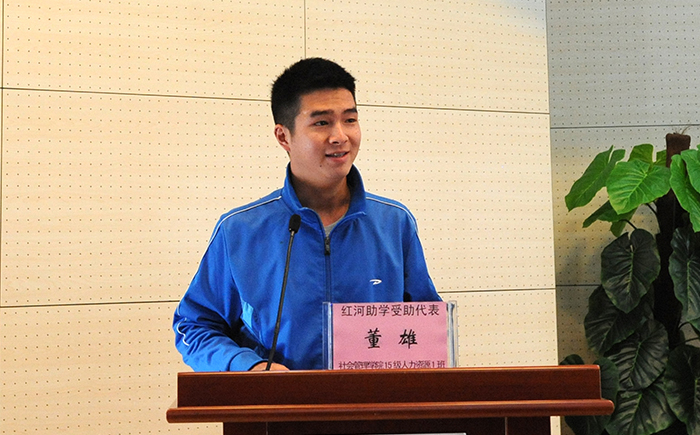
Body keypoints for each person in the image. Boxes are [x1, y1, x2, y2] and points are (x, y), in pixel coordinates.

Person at [173, 57, 440, 372]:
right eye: (322, 123)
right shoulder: (239, 231)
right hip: (276, 401)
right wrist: (249, 368)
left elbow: (427, 328)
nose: (340, 136)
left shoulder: (394, 224)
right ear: (283, 137)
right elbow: (195, 326)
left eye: (350, 120)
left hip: (372, 402)